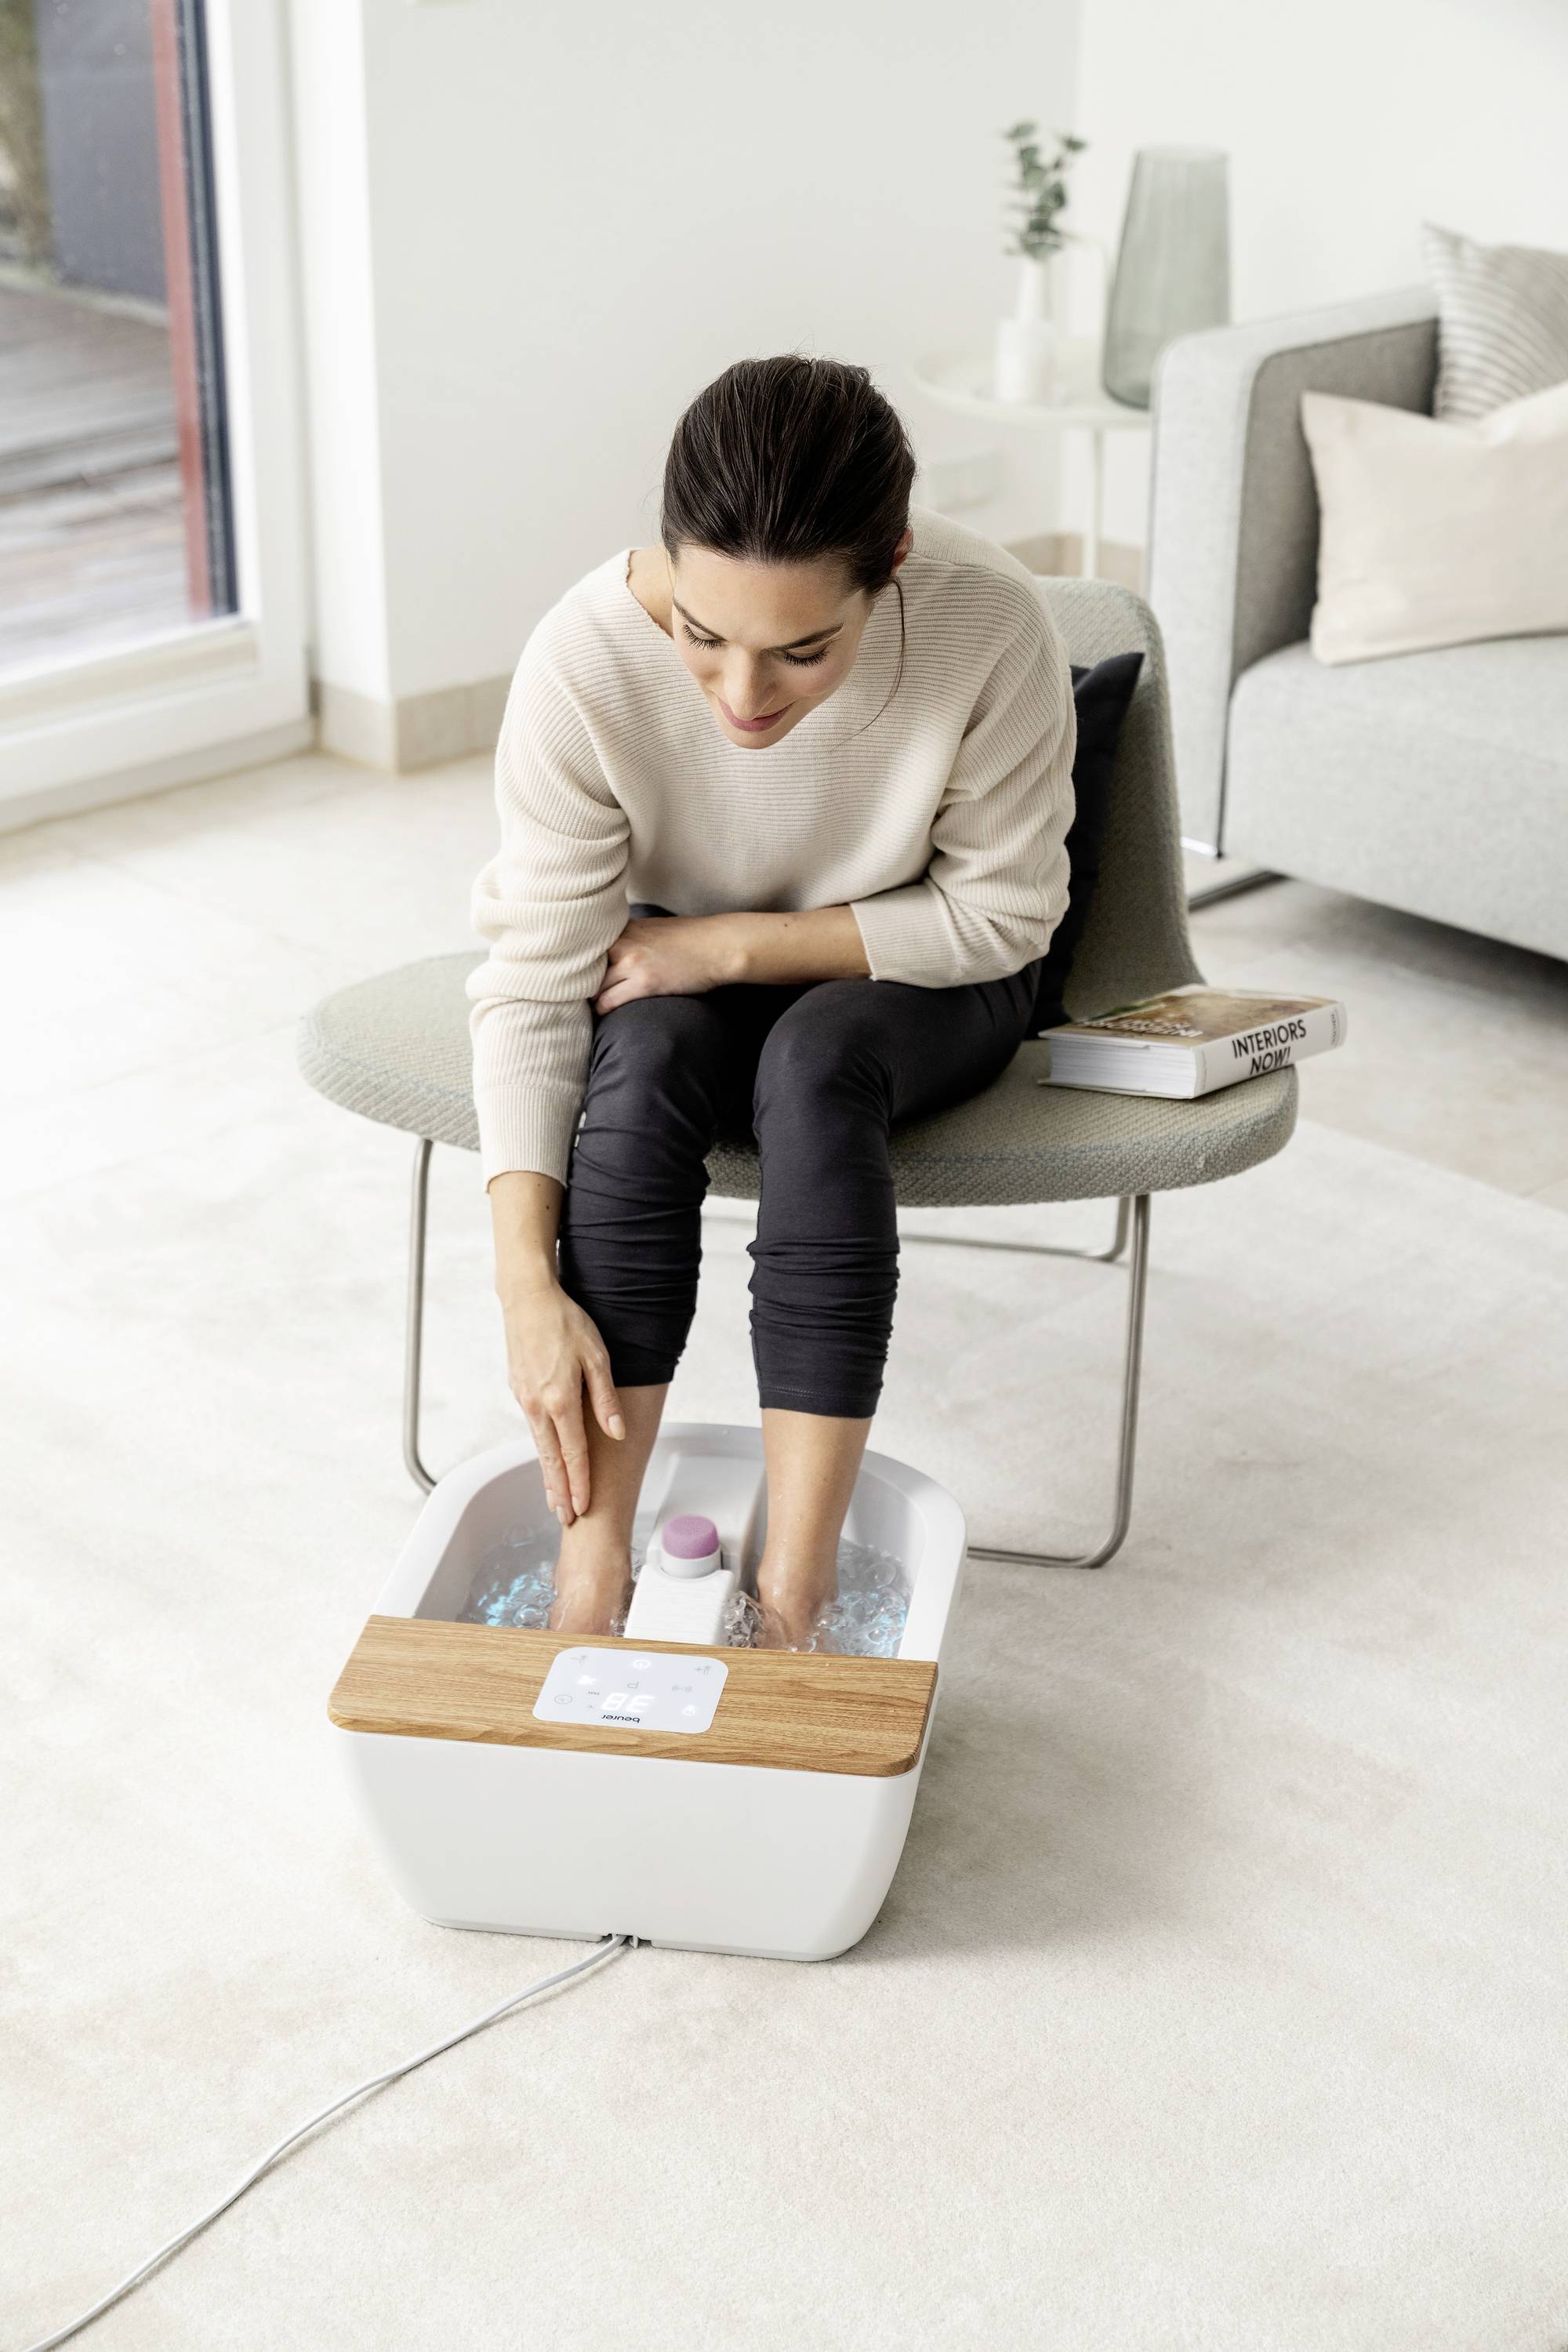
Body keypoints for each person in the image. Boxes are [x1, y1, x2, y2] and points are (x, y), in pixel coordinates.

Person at [469, 354, 1075, 1646]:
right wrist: (525, 1280)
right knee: (640, 1060)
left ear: (892, 563)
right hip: (678, 961)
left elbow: (1007, 914)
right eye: (704, 637)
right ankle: (592, 1575)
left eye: (804, 650)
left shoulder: (992, 622)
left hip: (923, 963)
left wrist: (733, 946)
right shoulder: (583, 662)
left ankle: (792, 1599)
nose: (744, 699)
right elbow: (533, 982)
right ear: (668, 560)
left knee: (816, 1064)